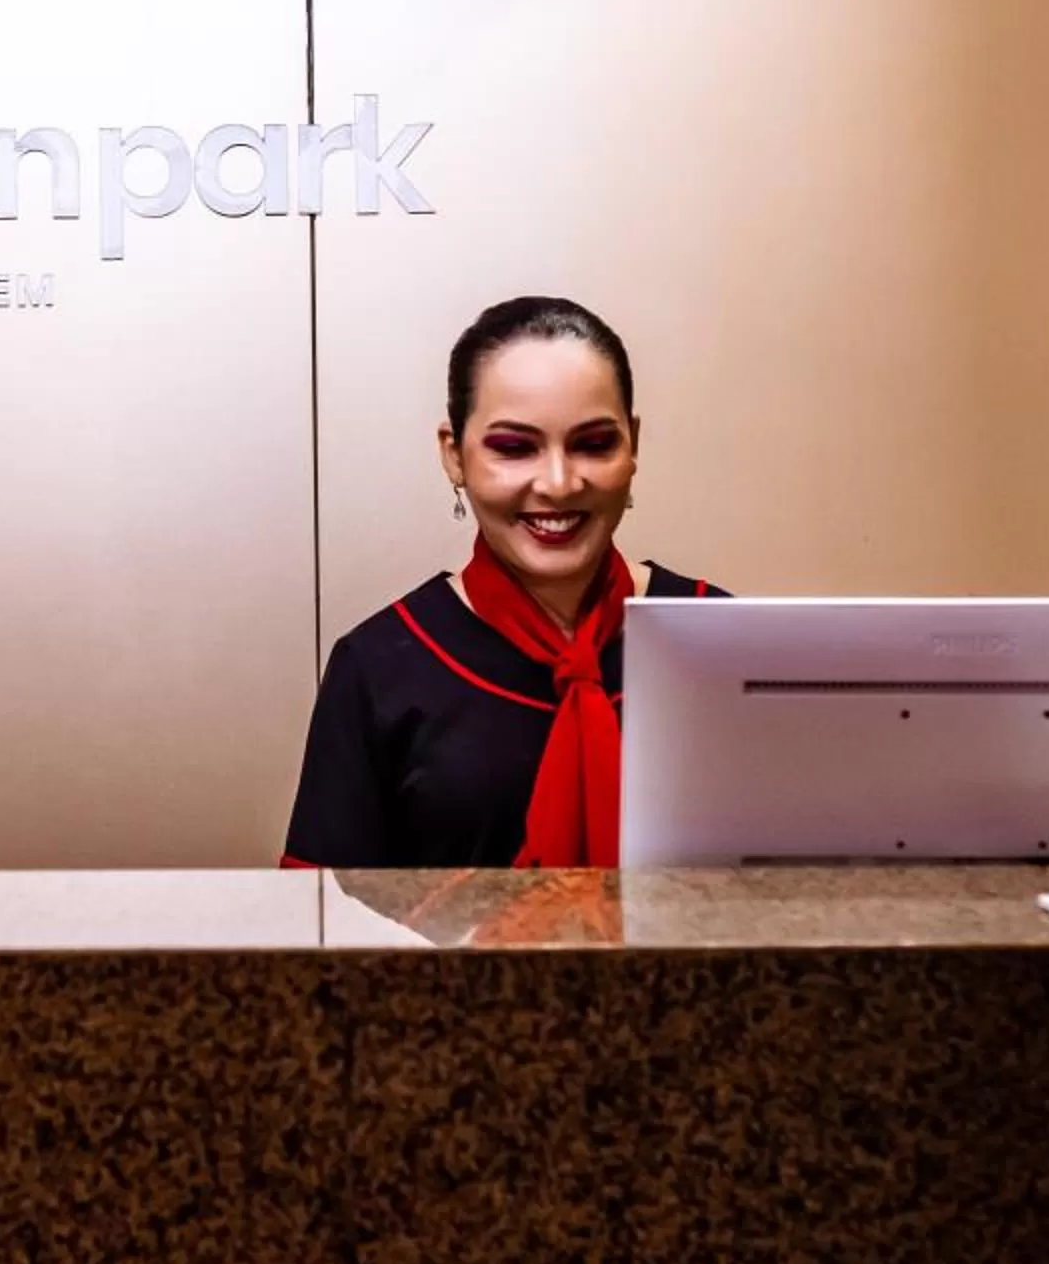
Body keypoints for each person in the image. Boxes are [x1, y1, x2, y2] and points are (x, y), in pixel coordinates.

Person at [283, 296, 725, 870]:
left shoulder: (718, 637)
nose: (559, 483)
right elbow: (322, 914)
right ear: (454, 456)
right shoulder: (378, 667)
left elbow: (795, 889)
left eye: (594, 444)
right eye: (514, 448)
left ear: (633, 445)